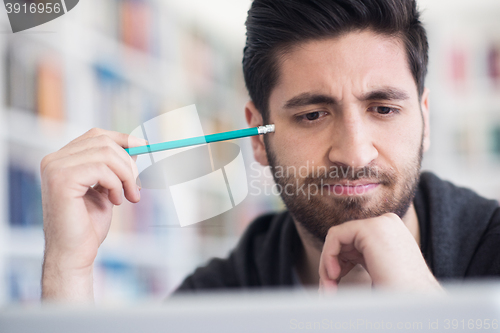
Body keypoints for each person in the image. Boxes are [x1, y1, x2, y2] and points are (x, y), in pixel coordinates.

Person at [41, 0, 500, 301]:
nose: (355, 154)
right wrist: (67, 269)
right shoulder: (214, 301)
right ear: (259, 137)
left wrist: (428, 316)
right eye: (313, 115)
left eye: (382, 108)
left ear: (424, 120)